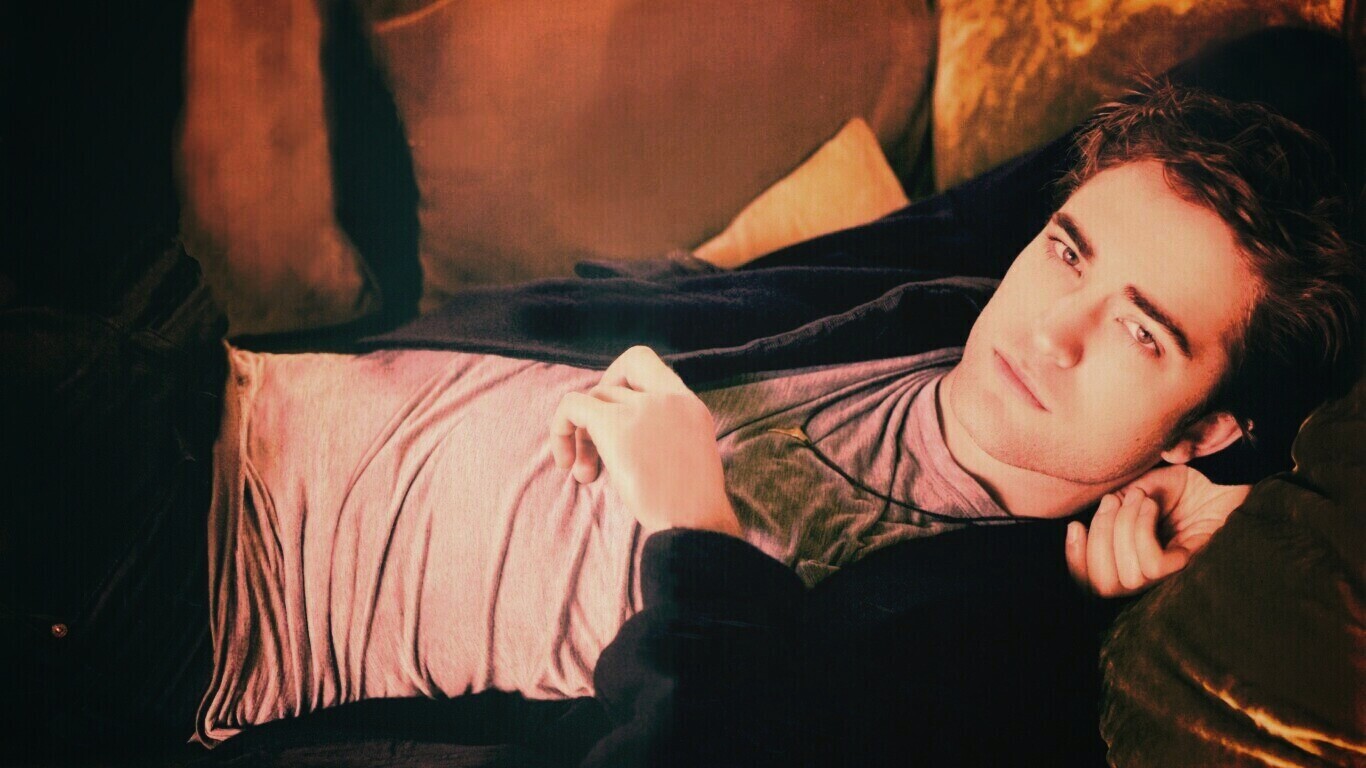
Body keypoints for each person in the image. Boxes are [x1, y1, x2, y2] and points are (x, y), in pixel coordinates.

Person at [2, 31, 1359, 767]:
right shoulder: (944, 290)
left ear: (1207, 422)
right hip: (218, 393)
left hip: (184, 618)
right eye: (1066, 253)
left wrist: (690, 533)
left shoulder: (994, 654)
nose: (1050, 331)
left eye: (1139, 333)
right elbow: (1294, 76)